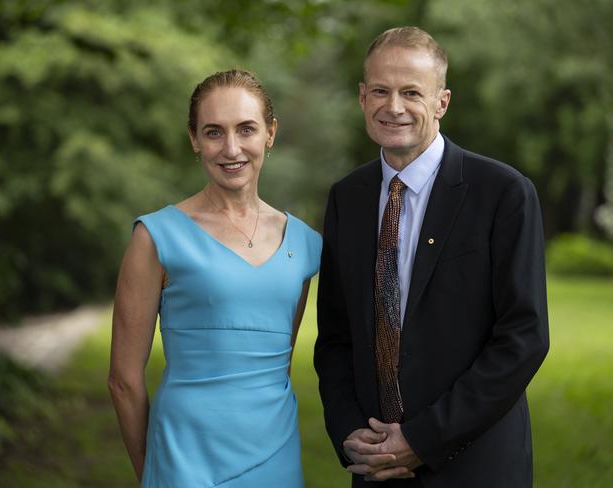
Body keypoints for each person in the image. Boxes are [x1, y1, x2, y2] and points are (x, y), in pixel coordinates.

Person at [314, 26, 549, 487]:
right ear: (362, 97)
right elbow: (336, 338)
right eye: (380, 90)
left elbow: (523, 339)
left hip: (473, 464)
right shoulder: (348, 197)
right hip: (375, 464)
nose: (393, 106)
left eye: (411, 92)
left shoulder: (503, 194)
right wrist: (349, 433)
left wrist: (423, 439)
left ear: (441, 102)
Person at [108, 69, 321, 487]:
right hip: (184, 459)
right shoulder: (156, 237)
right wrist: (152, 470)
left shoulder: (305, 244)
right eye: (213, 132)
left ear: (270, 133)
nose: (231, 148)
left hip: (276, 458)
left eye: (246, 129)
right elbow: (123, 381)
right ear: (193, 138)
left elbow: (279, 366)